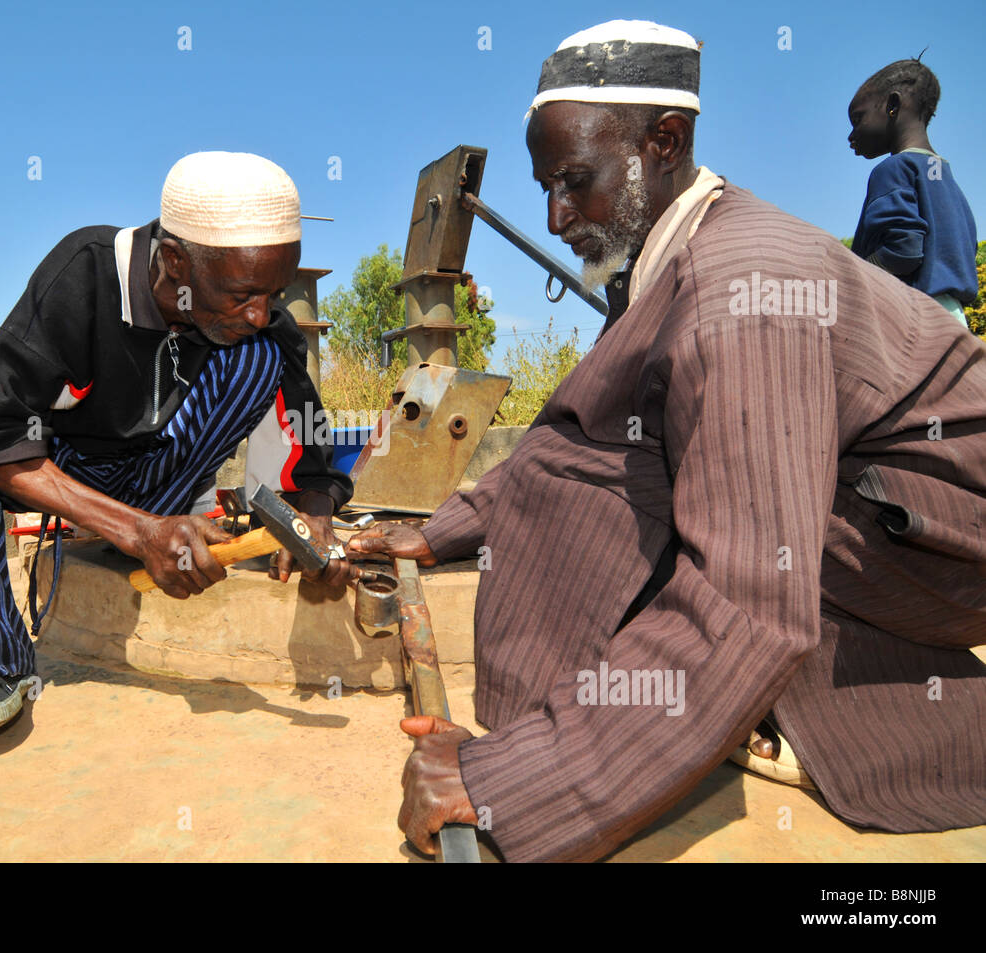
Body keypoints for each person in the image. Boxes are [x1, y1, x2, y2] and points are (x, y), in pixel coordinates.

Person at [350, 20, 986, 862]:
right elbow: (574, 443)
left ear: (665, 143)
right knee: (590, 473)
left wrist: (510, 781)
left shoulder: (744, 289)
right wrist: (436, 533)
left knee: (692, 523)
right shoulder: (662, 265)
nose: (556, 214)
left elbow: (750, 596)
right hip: (855, 503)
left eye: (576, 182)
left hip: (921, 544)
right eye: (545, 186)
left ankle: (822, 720)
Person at [0, 152, 358, 754]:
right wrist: (140, 533)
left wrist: (312, 521)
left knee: (262, 352)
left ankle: (143, 526)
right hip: (51, 472)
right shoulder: (86, 274)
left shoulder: (260, 327)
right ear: (177, 260)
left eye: (274, 292)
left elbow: (310, 453)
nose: (261, 311)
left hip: (155, 481)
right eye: (242, 293)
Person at [848, 57, 978, 326]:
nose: (851, 135)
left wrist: (855, 272)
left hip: (914, 319)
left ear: (892, 106)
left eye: (857, 119)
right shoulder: (943, 174)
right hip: (954, 319)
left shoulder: (893, 169)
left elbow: (903, 251)